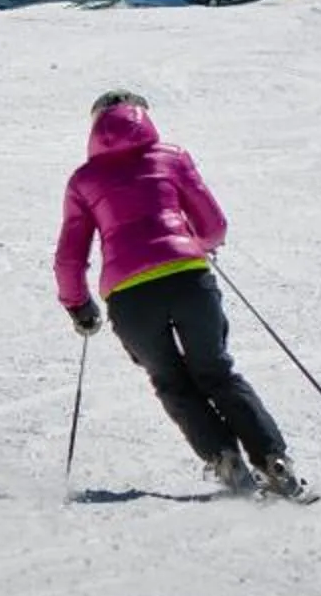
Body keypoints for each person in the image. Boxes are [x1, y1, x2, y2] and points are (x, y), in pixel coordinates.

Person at [53, 91, 305, 499]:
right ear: (144, 116)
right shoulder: (171, 156)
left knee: (170, 380)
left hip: (130, 296)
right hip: (188, 280)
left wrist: (78, 306)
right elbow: (213, 223)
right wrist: (196, 243)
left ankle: (224, 458)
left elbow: (70, 255)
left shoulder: (84, 180)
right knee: (217, 371)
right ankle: (273, 460)